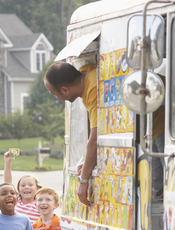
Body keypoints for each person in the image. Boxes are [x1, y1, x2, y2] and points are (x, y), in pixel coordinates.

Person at [44, 61, 166, 203]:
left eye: (54, 94)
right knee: (158, 188)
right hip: (153, 125)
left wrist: (83, 181)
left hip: (165, 117)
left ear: (65, 90)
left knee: (168, 178)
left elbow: (95, 139)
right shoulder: (86, 71)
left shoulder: (95, 89)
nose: (57, 98)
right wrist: (85, 160)